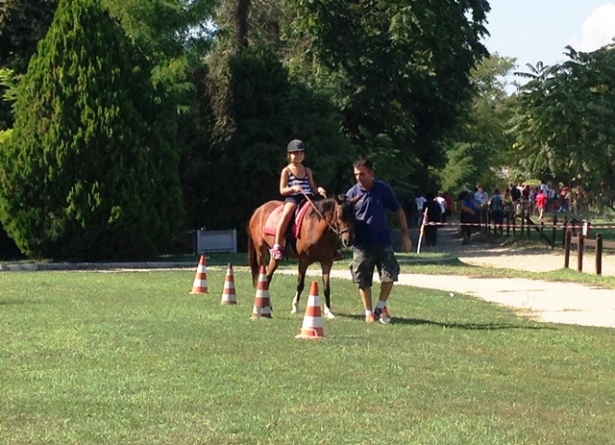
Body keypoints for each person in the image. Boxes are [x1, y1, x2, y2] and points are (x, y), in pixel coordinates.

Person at [346, 159, 412, 324]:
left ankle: (380, 306)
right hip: (361, 244)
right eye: (356, 175)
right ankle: (368, 312)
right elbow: (343, 217)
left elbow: (398, 210)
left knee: (390, 275)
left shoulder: (383, 190)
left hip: (383, 241)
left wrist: (405, 235)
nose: (358, 177)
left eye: (362, 174)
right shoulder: (352, 194)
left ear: (371, 173)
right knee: (362, 279)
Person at [270, 139, 327, 260]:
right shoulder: (286, 171)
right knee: (286, 214)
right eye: (295, 153)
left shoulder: (307, 170)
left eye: (301, 153)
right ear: (289, 155)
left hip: (308, 198)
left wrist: (319, 189)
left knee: (325, 214)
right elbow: (282, 190)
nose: (299, 155)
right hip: (293, 198)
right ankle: (277, 245)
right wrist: (292, 188)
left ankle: (331, 247)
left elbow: (312, 187)